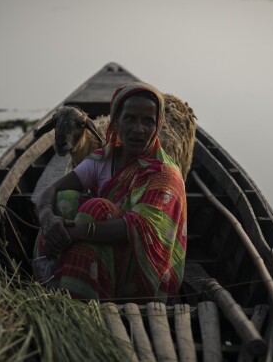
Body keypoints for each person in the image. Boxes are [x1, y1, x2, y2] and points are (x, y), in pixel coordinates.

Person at [33, 82, 187, 303]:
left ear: (158, 126)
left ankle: (73, 300)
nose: (138, 129)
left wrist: (74, 232)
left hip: (143, 276)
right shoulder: (102, 160)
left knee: (97, 207)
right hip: (104, 254)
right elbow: (52, 189)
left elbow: (136, 227)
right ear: (116, 121)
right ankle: (62, 284)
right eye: (130, 118)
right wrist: (48, 218)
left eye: (148, 121)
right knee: (64, 199)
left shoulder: (164, 174)